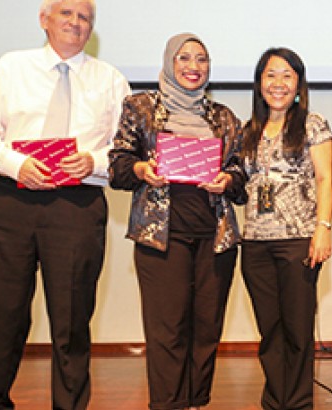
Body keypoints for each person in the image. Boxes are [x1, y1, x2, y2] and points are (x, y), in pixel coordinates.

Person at [0, 0, 130, 409]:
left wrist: (95, 161)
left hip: (77, 206)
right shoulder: (11, 67)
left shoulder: (110, 79)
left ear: (92, 29)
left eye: (84, 18)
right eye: (66, 13)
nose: (75, 23)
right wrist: (15, 164)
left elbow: (125, 147)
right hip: (8, 203)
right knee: (4, 317)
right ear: (44, 19)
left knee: (72, 321)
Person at [107, 33, 245, 410]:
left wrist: (228, 180)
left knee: (206, 328)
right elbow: (118, 167)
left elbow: (241, 176)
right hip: (160, 236)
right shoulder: (141, 108)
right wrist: (141, 168)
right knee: (166, 329)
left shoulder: (224, 118)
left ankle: (197, 400)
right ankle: (167, 404)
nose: (193, 67)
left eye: (202, 59)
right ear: (169, 62)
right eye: (184, 58)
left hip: (215, 238)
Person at [239, 47, 332, 410]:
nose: (278, 83)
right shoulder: (248, 130)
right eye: (270, 75)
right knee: (269, 331)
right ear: (259, 82)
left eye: (287, 75)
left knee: (296, 331)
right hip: (255, 244)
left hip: (298, 241)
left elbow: (326, 179)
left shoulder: (313, 124)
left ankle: (297, 403)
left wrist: (323, 229)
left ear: (298, 84)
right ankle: (275, 401)